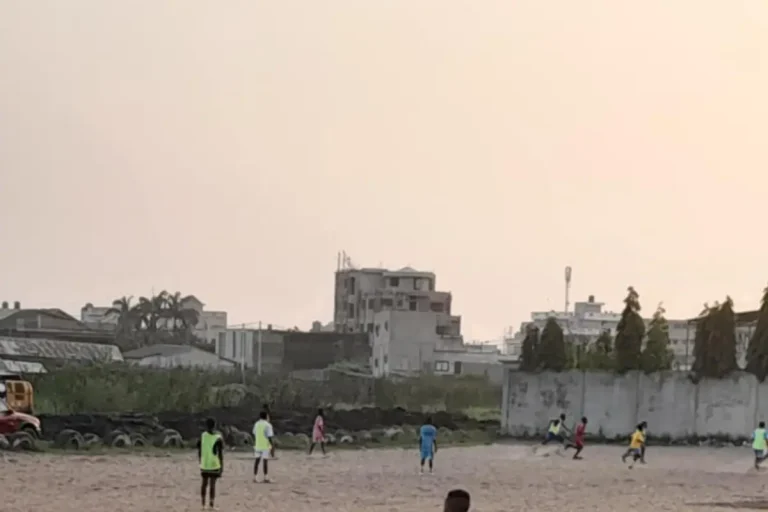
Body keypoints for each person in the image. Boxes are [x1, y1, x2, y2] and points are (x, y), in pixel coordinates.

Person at [196, 417, 224, 509]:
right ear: (215, 426)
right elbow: (220, 453)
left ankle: (203, 504)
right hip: (214, 464)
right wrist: (222, 466)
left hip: (204, 463)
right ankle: (211, 505)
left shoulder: (202, 436)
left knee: (204, 484)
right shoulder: (218, 437)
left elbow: (199, 450)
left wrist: (200, 461)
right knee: (212, 485)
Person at [252, 410, 274, 483]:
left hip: (257, 445)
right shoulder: (268, 425)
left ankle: (255, 477)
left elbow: (254, 433)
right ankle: (266, 477)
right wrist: (272, 446)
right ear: (266, 416)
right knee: (265, 461)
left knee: (257, 461)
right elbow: (270, 437)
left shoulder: (256, 424)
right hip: (265, 445)